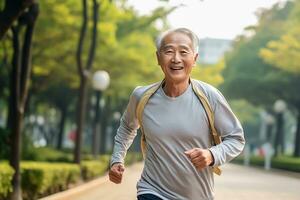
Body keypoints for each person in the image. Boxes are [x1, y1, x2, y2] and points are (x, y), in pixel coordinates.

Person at [109, 28, 245, 200]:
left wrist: (212, 155)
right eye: (169, 51)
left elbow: (236, 138)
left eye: (183, 52)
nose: (176, 59)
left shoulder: (210, 97)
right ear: (158, 58)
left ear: (194, 59)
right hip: (152, 190)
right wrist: (116, 159)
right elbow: (127, 128)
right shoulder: (141, 97)